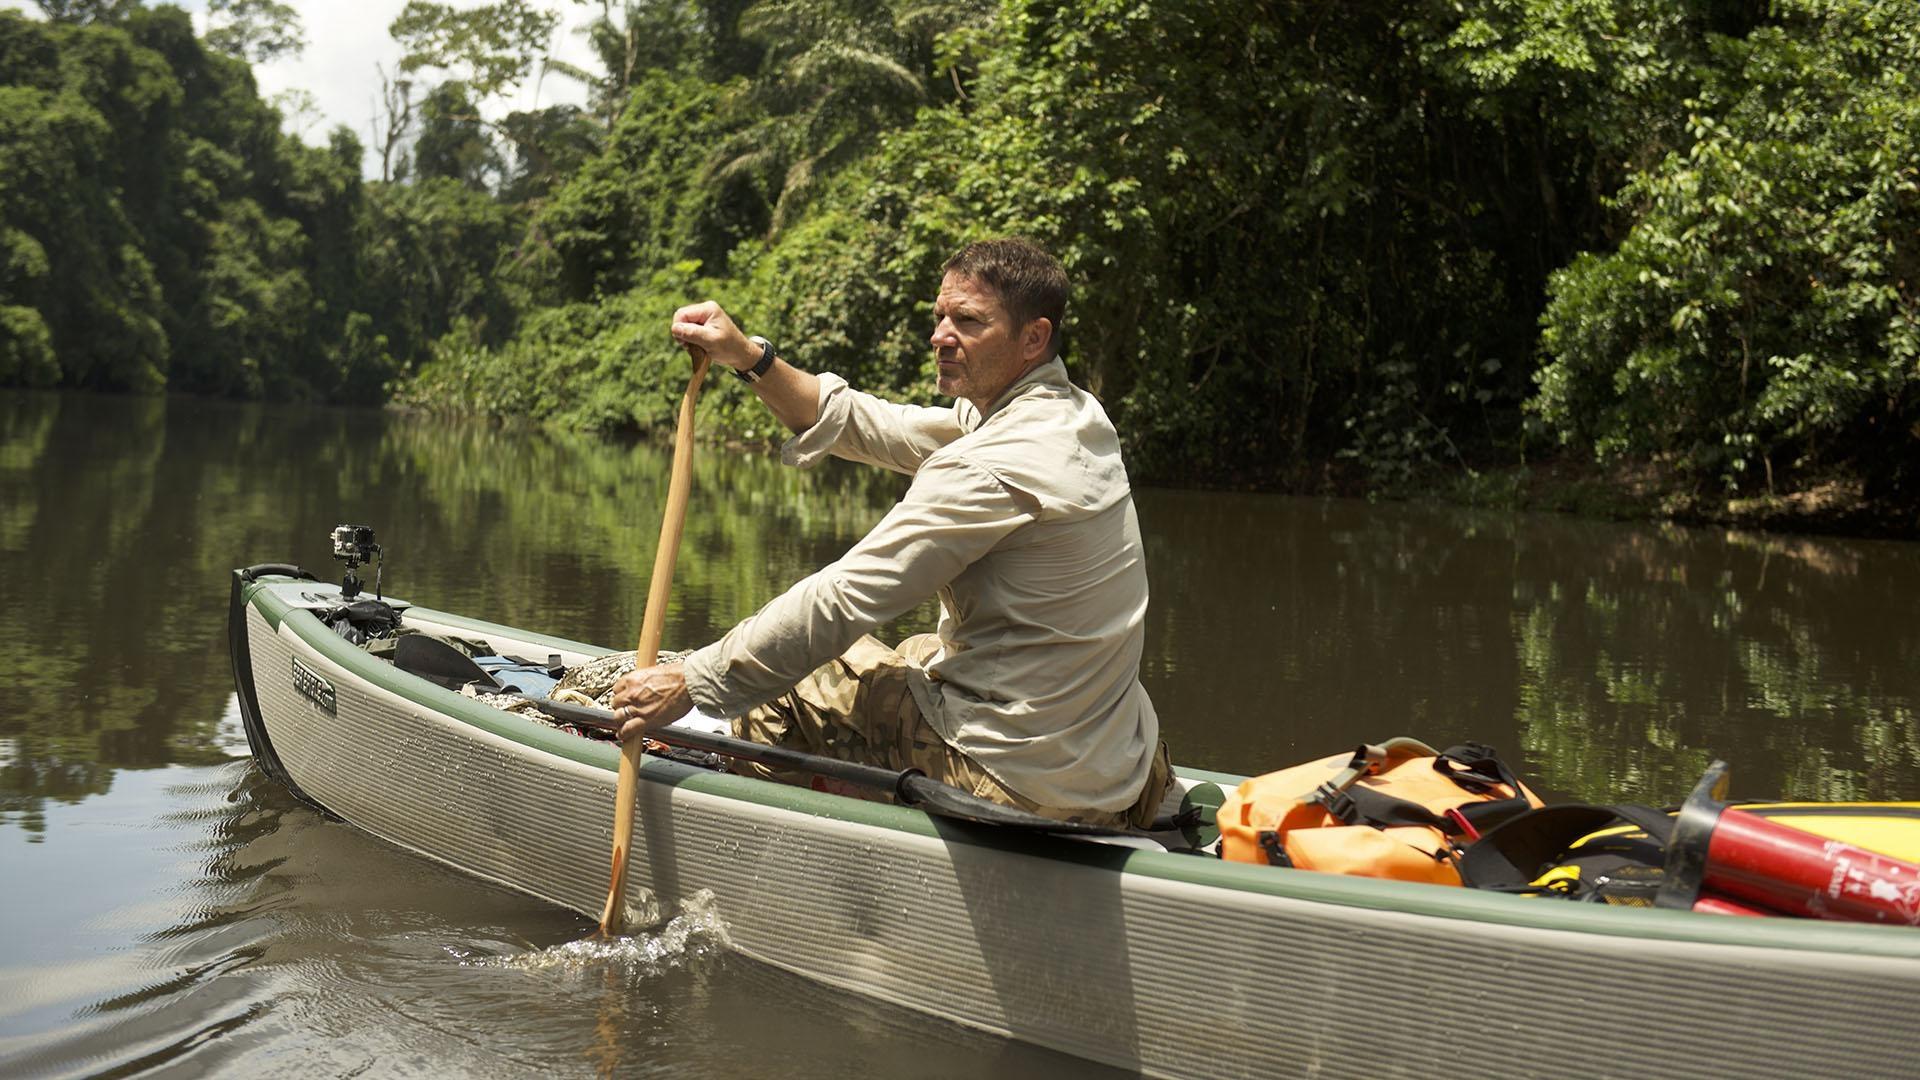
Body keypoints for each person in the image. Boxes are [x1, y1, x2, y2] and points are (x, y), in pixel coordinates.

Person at [608, 237, 1168, 827]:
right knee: (919, 652)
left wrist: (692, 681)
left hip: (1019, 785)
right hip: (1125, 771)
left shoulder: (990, 464)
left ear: (1033, 337)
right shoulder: (1075, 415)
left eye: (968, 321)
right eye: (939, 317)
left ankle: (803, 861)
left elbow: (843, 598)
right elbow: (874, 426)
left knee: (798, 678)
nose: (940, 335)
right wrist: (749, 357)